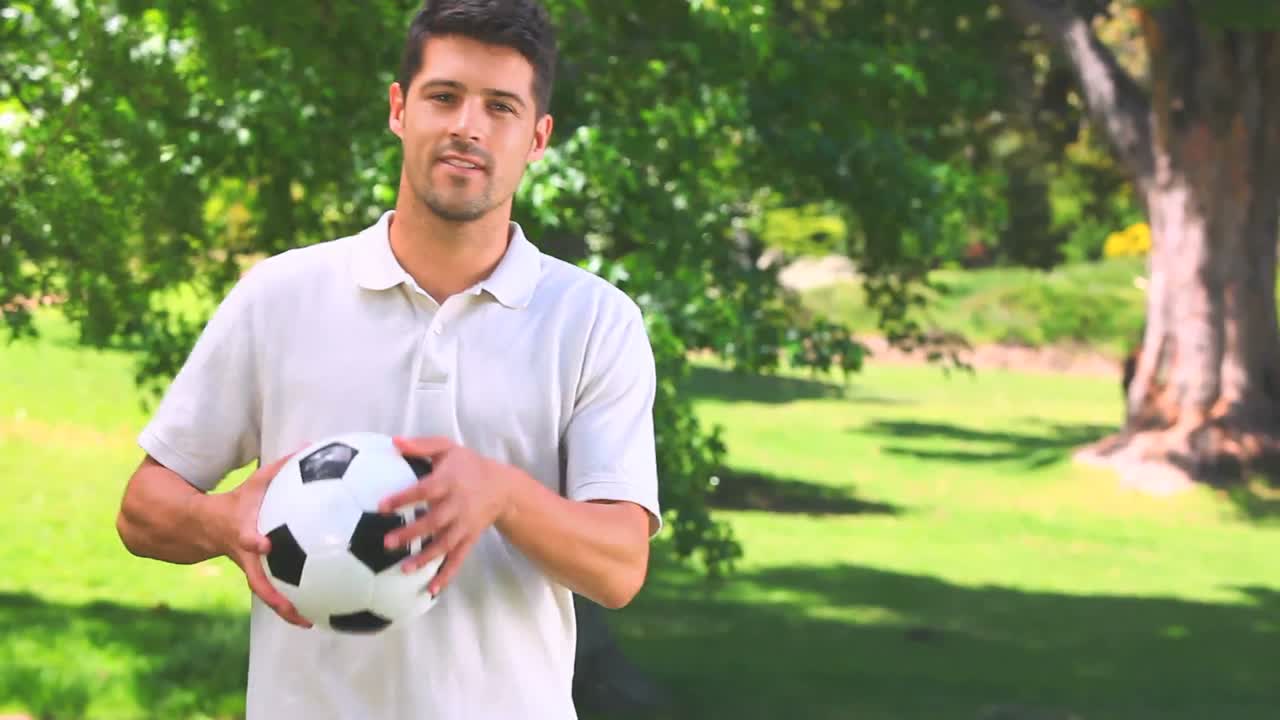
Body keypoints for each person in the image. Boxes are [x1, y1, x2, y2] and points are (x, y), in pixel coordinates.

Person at [114, 1, 661, 717]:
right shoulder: (281, 295)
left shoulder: (594, 321)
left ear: (538, 138)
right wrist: (222, 522)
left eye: (501, 107)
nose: (468, 125)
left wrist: (499, 493)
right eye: (444, 96)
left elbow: (620, 567)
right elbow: (142, 509)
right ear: (400, 109)